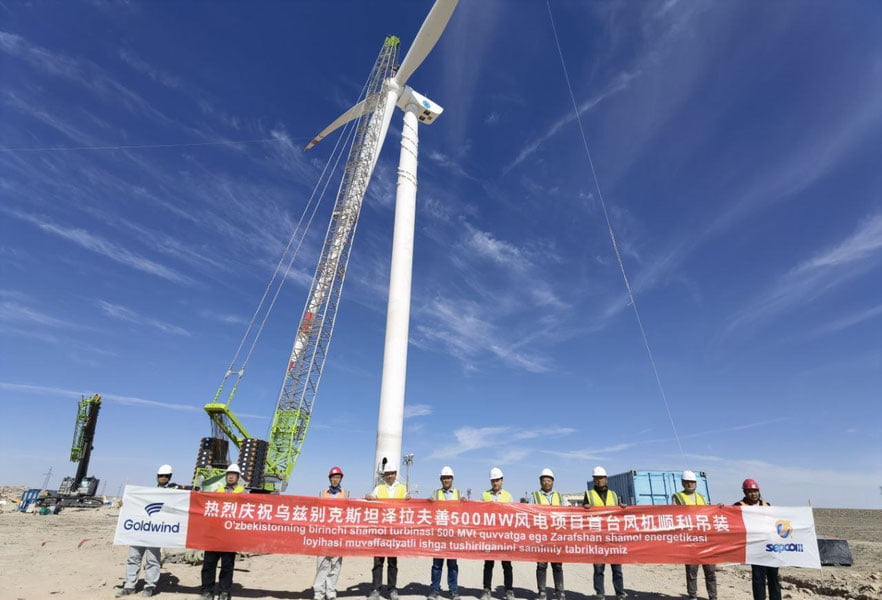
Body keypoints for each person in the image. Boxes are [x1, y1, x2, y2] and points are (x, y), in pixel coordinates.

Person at [116, 464, 181, 597]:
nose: (163, 478)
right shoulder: (148, 493)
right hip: (140, 530)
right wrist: (125, 503)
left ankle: (150, 586)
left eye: (165, 476)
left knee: (152, 559)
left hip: (156, 532)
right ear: (157, 477)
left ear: (169, 478)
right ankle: (130, 585)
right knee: (133, 557)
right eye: (161, 476)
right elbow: (135, 505)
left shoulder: (173, 493)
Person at [200, 464, 246, 600]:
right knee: (209, 564)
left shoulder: (243, 492)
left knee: (227, 565)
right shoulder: (218, 490)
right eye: (228, 474)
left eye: (233, 474)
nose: (230, 476)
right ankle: (207, 591)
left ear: (238, 477)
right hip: (215, 534)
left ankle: (224, 592)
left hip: (230, 536)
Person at [366, 464, 410, 600]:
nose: (389, 476)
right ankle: (376, 589)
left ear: (395, 474)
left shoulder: (402, 488)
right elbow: (370, 496)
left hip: (394, 531)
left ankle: (392, 589)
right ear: (384, 475)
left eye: (392, 473)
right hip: (380, 531)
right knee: (378, 562)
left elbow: (408, 502)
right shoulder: (379, 488)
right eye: (387, 474)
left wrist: (408, 499)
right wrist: (368, 496)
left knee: (392, 562)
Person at [673, 470, 717, 600]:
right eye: (687, 482)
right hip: (690, 540)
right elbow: (674, 515)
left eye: (692, 482)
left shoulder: (701, 497)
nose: (690, 484)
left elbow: (709, 513)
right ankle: (692, 595)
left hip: (705, 538)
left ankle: (713, 596)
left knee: (710, 571)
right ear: (682, 483)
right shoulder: (677, 497)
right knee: (692, 571)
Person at [583, 466, 626, 600]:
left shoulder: (614, 494)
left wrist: (622, 507)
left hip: (613, 537)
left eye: (601, 478)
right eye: (596, 478)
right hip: (597, 538)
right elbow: (583, 514)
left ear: (606, 479)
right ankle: (600, 593)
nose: (599, 481)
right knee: (599, 568)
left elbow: (619, 511)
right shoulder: (589, 494)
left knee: (617, 569)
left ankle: (619, 593)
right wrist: (585, 508)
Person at [735, 479, 780, 600]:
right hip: (755, 548)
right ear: (745, 493)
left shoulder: (767, 505)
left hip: (770, 547)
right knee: (758, 578)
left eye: (755, 491)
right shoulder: (738, 506)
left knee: (773, 578)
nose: (753, 494)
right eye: (750, 491)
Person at [427, 466, 463, 600]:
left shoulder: (459, 494)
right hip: (439, 536)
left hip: (453, 536)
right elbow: (428, 509)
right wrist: (428, 502)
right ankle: (434, 590)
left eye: (448, 478)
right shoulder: (435, 493)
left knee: (452, 565)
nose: (446, 480)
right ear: (440, 479)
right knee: (437, 565)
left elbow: (465, 510)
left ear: (452, 479)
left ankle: (453, 591)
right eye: (444, 478)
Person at [314, 467, 349, 600]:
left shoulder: (345, 494)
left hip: (338, 534)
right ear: (330, 479)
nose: (335, 480)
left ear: (341, 479)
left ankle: (330, 591)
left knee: (335, 565)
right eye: (333, 477)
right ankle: (319, 592)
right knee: (322, 564)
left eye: (338, 477)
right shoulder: (322, 493)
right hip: (324, 534)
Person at [532, 468, 566, 600]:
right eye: (544, 480)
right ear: (540, 482)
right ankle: (542, 591)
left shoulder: (559, 496)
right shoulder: (535, 496)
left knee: (557, 564)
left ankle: (560, 591)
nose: (546, 482)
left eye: (549, 480)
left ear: (553, 482)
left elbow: (570, 511)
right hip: (541, 537)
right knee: (541, 565)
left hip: (556, 536)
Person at [482, 467, 514, 600]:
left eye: (497, 480)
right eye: (493, 480)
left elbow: (514, 515)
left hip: (504, 536)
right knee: (488, 564)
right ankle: (486, 589)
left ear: (502, 480)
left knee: (506, 564)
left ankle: (509, 590)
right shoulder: (485, 495)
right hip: (490, 536)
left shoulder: (508, 496)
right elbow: (479, 513)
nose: (495, 483)